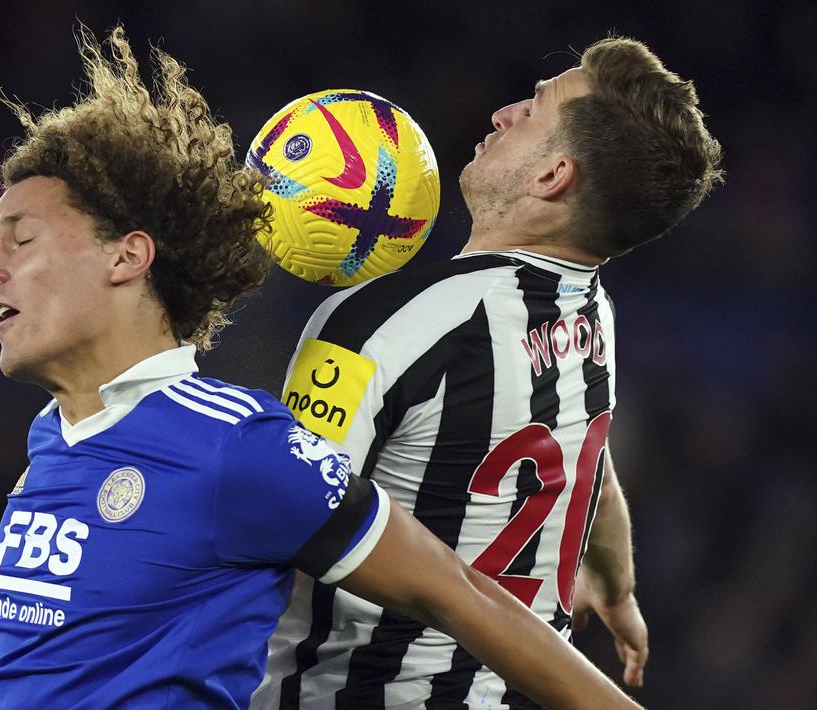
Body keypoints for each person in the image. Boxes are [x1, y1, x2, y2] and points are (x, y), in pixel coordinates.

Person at [0, 25, 642, 710]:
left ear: (126, 257)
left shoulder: (239, 450)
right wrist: (612, 580)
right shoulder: (53, 441)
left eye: (21, 240)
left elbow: (462, 596)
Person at [254, 37, 723, 709]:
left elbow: (277, 524)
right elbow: (586, 460)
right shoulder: (589, 311)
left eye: (531, 110)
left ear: (550, 176)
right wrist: (615, 588)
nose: (502, 114)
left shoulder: (381, 321)